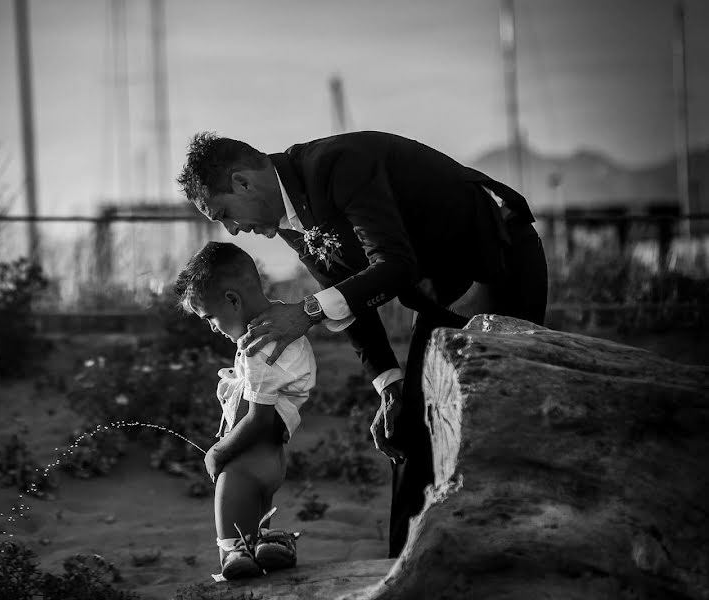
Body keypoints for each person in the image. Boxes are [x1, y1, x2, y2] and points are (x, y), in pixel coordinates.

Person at [176, 130, 548, 558]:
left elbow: (394, 264)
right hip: (440, 288)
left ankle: (506, 555)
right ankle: (406, 565)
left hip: (496, 259)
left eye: (225, 214)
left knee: (497, 421)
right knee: (406, 425)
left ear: (242, 182)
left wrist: (306, 311)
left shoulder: (338, 165)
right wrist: (388, 383)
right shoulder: (289, 221)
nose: (234, 229)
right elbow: (347, 299)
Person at [174, 241, 316, 580]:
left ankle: (233, 555)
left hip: (246, 465)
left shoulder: (259, 344)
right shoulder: (284, 326)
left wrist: (219, 452)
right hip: (270, 459)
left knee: (233, 533)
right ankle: (268, 545)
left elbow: (258, 418)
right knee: (255, 531)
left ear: (233, 300)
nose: (211, 327)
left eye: (209, 318)